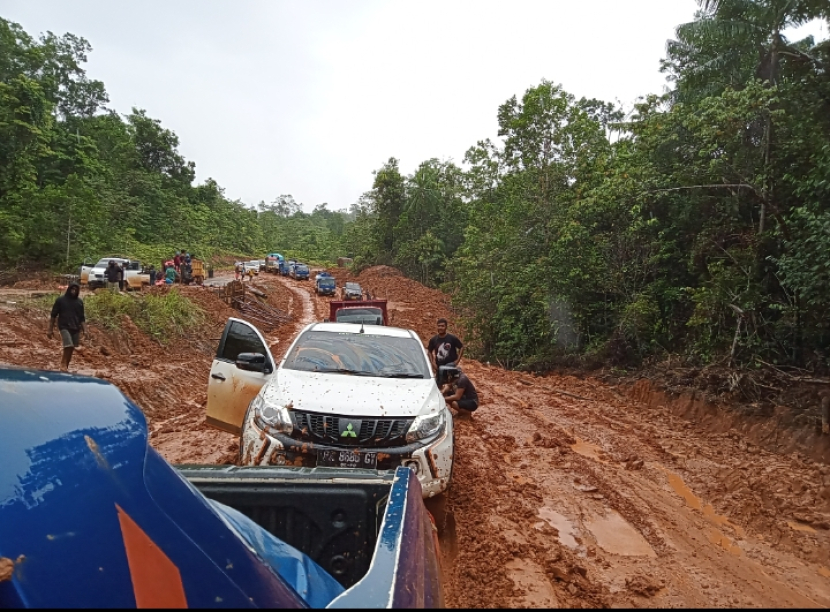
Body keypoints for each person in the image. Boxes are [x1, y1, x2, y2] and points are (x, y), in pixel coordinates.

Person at [48, 282, 88, 372]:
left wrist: (85, 330)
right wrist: (50, 330)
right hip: (64, 326)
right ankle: (63, 364)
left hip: (76, 327)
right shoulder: (61, 300)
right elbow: (53, 315)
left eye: (76, 289)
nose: (73, 291)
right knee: (68, 345)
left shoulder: (79, 302)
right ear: (69, 289)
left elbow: (82, 317)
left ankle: (66, 366)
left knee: (72, 347)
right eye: (72, 289)